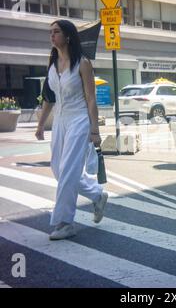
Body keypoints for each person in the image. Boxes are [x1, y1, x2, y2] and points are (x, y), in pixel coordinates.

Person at [35, 20, 108, 240]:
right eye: (50, 32)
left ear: (68, 36)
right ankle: (97, 195)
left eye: (56, 32)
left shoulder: (82, 63)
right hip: (60, 121)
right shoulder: (53, 64)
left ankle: (65, 222)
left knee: (68, 170)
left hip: (79, 120)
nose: (52, 35)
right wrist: (40, 125)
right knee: (58, 169)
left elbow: (91, 98)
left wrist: (94, 131)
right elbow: (49, 98)